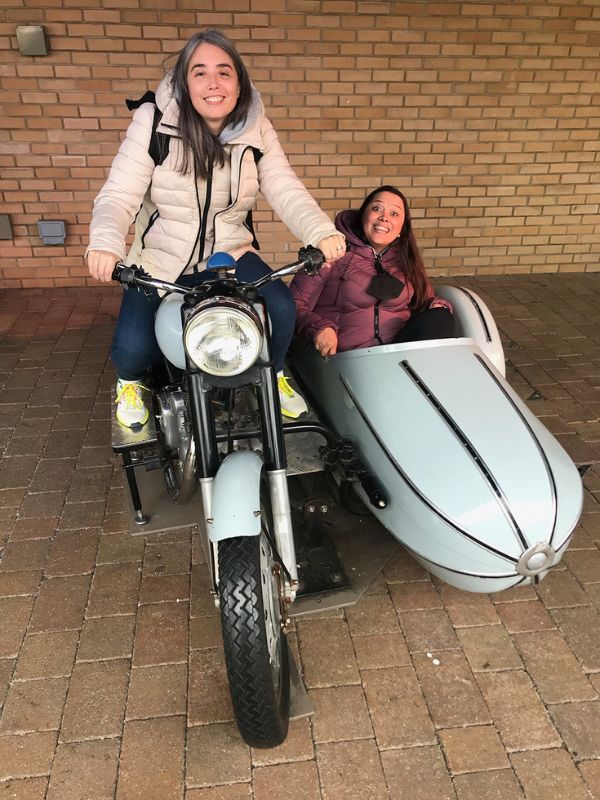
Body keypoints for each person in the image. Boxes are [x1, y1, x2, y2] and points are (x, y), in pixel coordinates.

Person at [86, 29, 346, 427]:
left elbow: (284, 186)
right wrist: (105, 243)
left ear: (239, 82)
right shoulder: (154, 121)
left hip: (229, 251)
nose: (213, 83)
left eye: (224, 72)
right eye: (200, 72)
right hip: (160, 255)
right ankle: (130, 382)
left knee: (278, 308)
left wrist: (319, 230)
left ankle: (272, 374)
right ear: (184, 81)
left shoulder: (256, 129)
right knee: (134, 346)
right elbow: (119, 193)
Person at [290, 185, 454, 356]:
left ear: (402, 229)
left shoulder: (407, 260)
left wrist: (437, 305)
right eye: (377, 208)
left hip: (395, 352)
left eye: (394, 214)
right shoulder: (331, 252)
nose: (384, 218)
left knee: (440, 317)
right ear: (363, 216)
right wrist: (319, 328)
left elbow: (427, 299)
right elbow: (293, 305)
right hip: (348, 356)